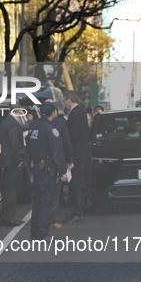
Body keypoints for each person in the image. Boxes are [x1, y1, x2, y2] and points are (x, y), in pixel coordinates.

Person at [25, 102, 68, 240]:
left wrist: (31, 166)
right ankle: (42, 234)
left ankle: (35, 233)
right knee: (46, 202)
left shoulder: (33, 127)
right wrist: (63, 171)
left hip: (37, 168)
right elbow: (57, 152)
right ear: (53, 113)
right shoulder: (50, 129)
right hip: (48, 171)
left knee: (37, 202)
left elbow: (28, 149)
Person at [63, 91, 92, 223]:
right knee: (78, 183)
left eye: (65, 100)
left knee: (75, 184)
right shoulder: (81, 111)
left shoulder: (74, 113)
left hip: (76, 153)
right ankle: (77, 211)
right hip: (82, 152)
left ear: (69, 100)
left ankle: (77, 212)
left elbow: (74, 134)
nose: (64, 103)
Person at [0, 109, 26, 226]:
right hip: (13, 161)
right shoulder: (13, 124)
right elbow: (14, 143)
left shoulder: (5, 122)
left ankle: (7, 216)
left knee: (9, 189)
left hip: (7, 160)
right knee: (12, 191)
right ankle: (10, 218)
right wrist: (18, 160)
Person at [49, 101, 73, 228]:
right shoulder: (59, 123)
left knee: (42, 194)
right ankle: (51, 220)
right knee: (55, 191)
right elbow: (65, 144)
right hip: (55, 162)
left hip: (41, 164)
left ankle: (44, 220)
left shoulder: (35, 124)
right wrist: (68, 161)